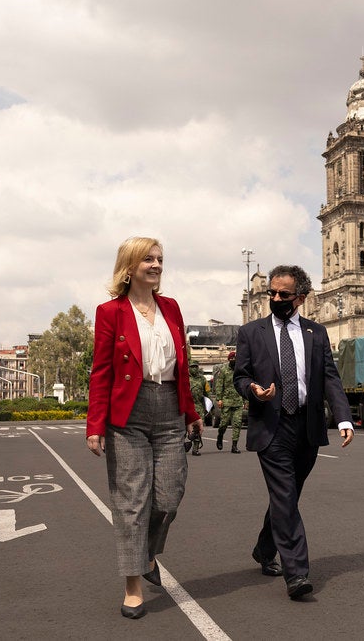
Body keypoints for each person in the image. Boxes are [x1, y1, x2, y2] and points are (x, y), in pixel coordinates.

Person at [85, 236, 203, 620]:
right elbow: (101, 371)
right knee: (131, 501)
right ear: (130, 266)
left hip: (169, 408)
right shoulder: (110, 312)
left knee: (169, 495)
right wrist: (95, 425)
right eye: (148, 259)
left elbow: (182, 367)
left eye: (160, 259)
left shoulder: (171, 307)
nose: (156, 265)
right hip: (127, 415)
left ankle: (147, 553)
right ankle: (133, 585)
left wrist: (190, 411)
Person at [233, 264, 354, 600]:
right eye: (272, 292)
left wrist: (343, 418)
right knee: (285, 497)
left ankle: (263, 548)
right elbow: (240, 377)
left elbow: (330, 377)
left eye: (283, 294)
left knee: (288, 495)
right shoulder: (251, 333)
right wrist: (254, 390)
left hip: (307, 425)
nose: (275, 298)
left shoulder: (316, 332)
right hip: (271, 426)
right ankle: (297, 574)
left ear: (300, 298)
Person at [214, 350, 245, 453]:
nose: (234, 360)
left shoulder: (240, 370)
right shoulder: (223, 370)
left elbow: (244, 385)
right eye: (232, 359)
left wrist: (246, 400)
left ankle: (234, 446)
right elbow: (219, 385)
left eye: (235, 359)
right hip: (226, 401)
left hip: (238, 401)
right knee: (224, 423)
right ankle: (220, 436)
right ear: (229, 360)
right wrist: (219, 399)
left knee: (237, 424)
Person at [188, 362, 208, 456]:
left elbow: (207, 393)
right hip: (187, 406)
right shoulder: (185, 377)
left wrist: (209, 406)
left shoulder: (202, 379)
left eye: (196, 367)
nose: (194, 369)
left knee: (197, 429)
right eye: (192, 367)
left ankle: (195, 449)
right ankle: (181, 447)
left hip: (199, 406)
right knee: (183, 429)